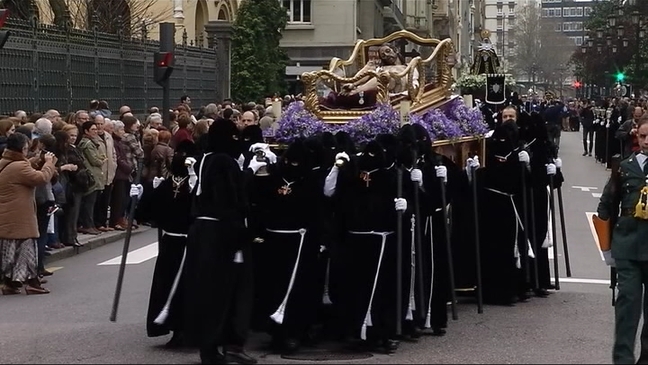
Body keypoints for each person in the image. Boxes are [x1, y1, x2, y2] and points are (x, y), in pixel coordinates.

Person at [184, 118, 265, 365]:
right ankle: (221, 346)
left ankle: (221, 344)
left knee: (213, 290)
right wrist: (251, 170)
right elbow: (231, 194)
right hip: (222, 233)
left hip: (204, 230)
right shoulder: (223, 161)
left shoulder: (206, 158)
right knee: (227, 291)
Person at [597, 117, 648, 364]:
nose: (647, 141)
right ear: (636, 137)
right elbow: (606, 205)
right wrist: (606, 248)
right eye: (643, 136)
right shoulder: (624, 167)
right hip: (627, 242)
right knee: (627, 302)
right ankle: (623, 358)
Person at [0, 133, 56, 295]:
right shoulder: (19, 167)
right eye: (26, 148)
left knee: (9, 251)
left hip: (7, 215)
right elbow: (41, 178)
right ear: (21, 149)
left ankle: (10, 282)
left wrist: (34, 161)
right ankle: (33, 283)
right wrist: (49, 163)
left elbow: (19, 170)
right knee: (27, 249)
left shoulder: (4, 162)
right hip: (21, 215)